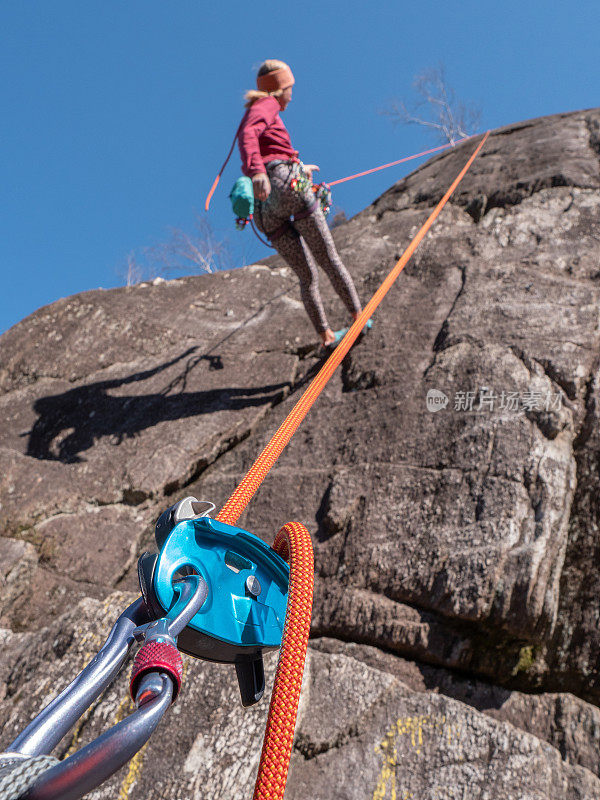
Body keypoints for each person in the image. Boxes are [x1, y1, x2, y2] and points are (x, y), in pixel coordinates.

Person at [238, 59, 370, 349]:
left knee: (306, 276)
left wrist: (296, 166)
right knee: (328, 258)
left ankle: (325, 336)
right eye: (290, 88)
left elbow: (267, 147)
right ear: (278, 88)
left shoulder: (261, 110)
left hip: (264, 211)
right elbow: (249, 135)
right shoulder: (268, 104)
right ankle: (358, 315)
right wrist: (259, 172)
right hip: (284, 187)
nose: (292, 94)